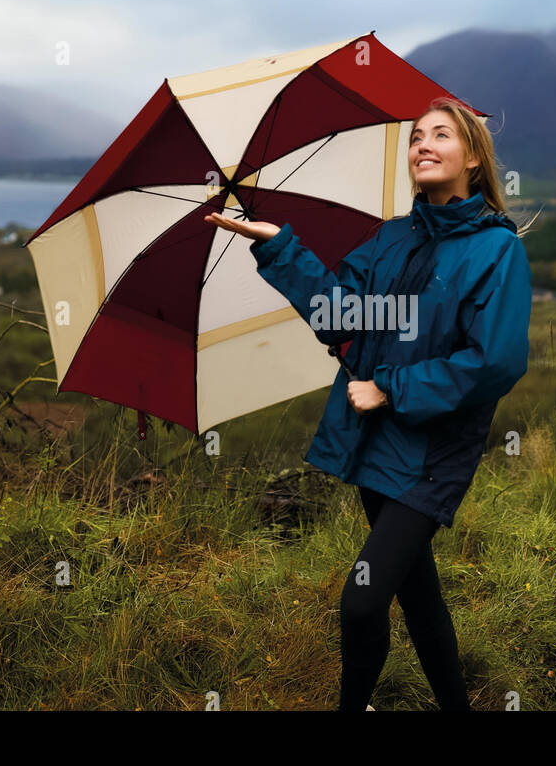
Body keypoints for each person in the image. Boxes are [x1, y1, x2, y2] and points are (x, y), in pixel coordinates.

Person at [204, 97, 533, 711]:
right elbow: (340, 314)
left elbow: (495, 361)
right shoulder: (390, 240)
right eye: (415, 138)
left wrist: (390, 388)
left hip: (433, 454)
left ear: (473, 159)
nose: (423, 146)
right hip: (374, 442)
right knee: (416, 591)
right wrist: (278, 247)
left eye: (441, 135)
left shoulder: (496, 252)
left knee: (361, 598)